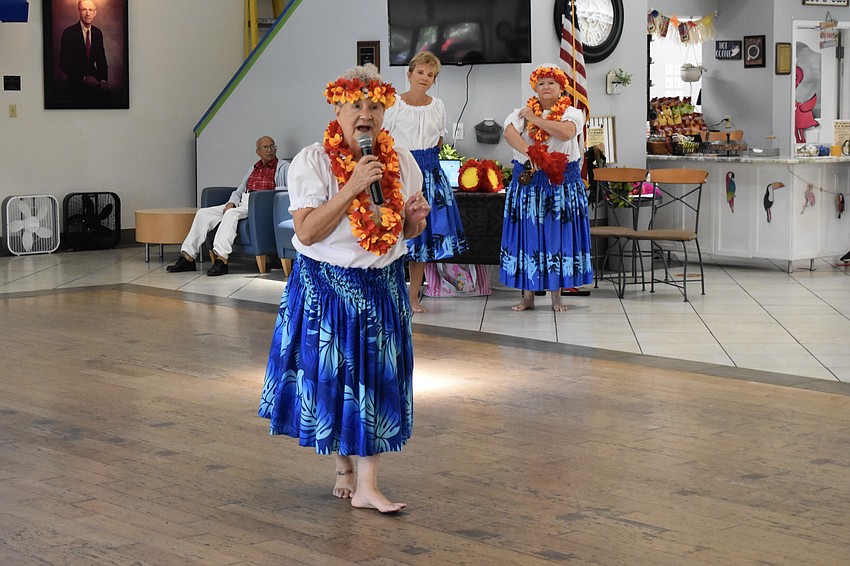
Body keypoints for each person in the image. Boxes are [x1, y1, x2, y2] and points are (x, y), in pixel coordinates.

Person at [258, 64, 430, 513]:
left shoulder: (401, 162)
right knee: (334, 383)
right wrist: (352, 186)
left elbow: (403, 233)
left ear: (385, 112)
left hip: (382, 285)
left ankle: (368, 484)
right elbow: (309, 233)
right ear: (337, 110)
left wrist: (412, 222)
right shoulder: (312, 162)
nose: (365, 113)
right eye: (356, 105)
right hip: (326, 287)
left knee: (373, 382)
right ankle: (344, 468)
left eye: (374, 105)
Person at [499, 64, 593, 311]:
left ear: (561, 87)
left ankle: (556, 297)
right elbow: (509, 133)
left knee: (556, 238)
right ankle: (527, 297)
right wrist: (532, 154)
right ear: (535, 88)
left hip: (560, 184)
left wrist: (535, 119)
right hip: (530, 183)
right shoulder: (522, 112)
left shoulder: (572, 112)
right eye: (541, 83)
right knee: (529, 237)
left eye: (551, 83)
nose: (546, 87)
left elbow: (566, 132)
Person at [383, 51, 468, 313]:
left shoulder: (438, 105)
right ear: (409, 74)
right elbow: (384, 139)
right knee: (396, 237)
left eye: (430, 75)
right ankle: (391, 295)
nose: (425, 78)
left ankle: (412, 298)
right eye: (420, 72)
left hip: (430, 175)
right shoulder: (394, 104)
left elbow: (439, 139)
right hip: (401, 175)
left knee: (421, 239)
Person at [166, 136, 288, 276]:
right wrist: (231, 202)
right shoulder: (253, 168)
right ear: (258, 152)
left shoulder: (283, 167)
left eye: (272, 146)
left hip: (260, 205)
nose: (269, 150)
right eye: (265, 147)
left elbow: (286, 190)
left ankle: (222, 260)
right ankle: (188, 257)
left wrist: (262, 195)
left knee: (231, 214)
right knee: (203, 213)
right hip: (244, 201)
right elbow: (239, 190)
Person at [59, 0, 108, 98]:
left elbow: (101, 60)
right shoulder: (69, 33)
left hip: (95, 82)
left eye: (90, 10)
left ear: (95, 12)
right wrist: (83, 78)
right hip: (75, 83)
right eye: (84, 10)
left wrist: (103, 80)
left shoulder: (98, 33)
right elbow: (63, 63)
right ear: (79, 12)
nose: (87, 13)